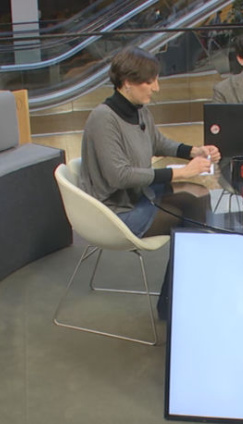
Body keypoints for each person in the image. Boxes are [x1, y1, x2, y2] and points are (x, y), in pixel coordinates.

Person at [79, 47, 221, 317]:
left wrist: (194, 151)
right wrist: (181, 173)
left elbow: (158, 142)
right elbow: (119, 176)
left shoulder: (140, 111)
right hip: (116, 210)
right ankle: (178, 302)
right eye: (149, 81)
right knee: (188, 219)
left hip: (138, 193)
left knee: (199, 197)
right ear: (127, 82)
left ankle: (181, 296)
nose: (156, 87)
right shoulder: (103, 119)